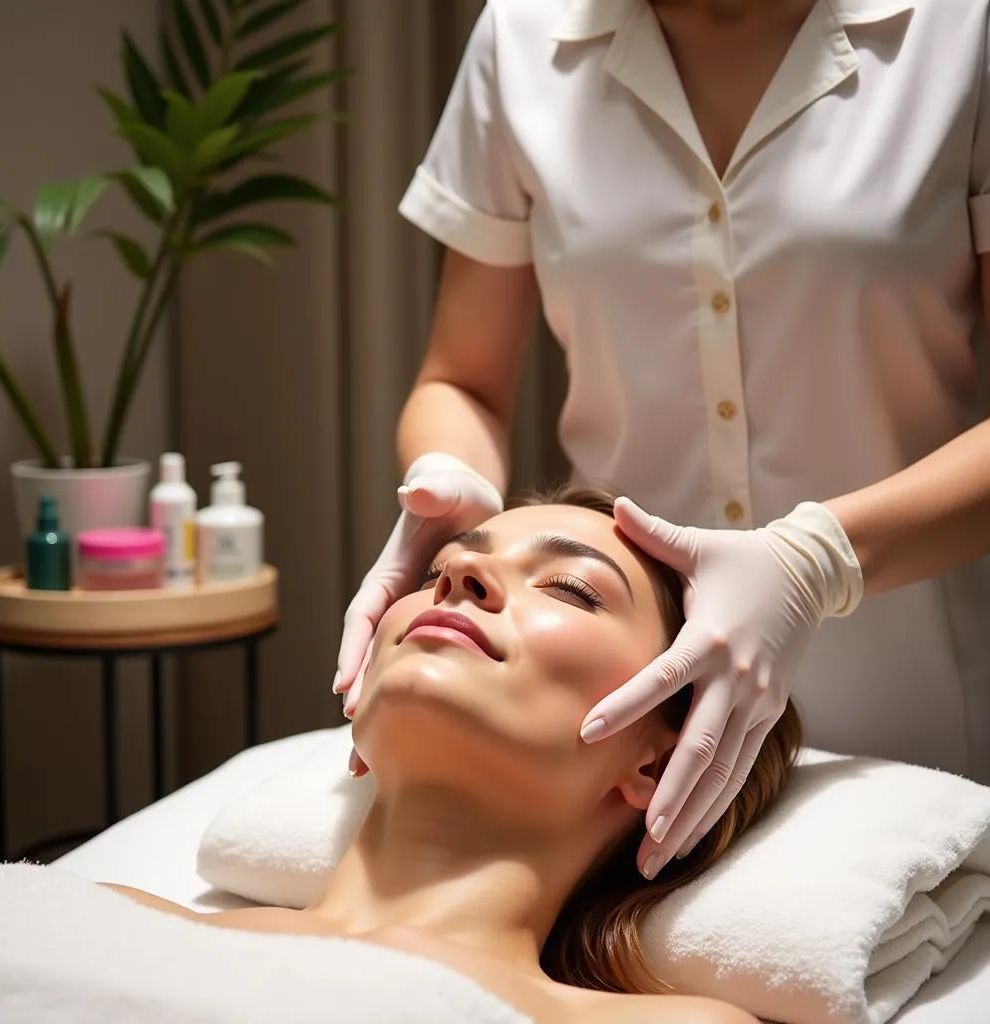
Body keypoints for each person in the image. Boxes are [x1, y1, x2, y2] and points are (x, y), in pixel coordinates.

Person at [334, 0, 990, 878]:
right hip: (624, 753)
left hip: (913, 705)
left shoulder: (960, 32)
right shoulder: (525, 37)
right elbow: (461, 379)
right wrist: (453, 480)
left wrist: (817, 560)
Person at [108, 488, 800, 1023]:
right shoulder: (104, 923)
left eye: (570, 588)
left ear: (657, 764)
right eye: (439, 567)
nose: (461, 571)